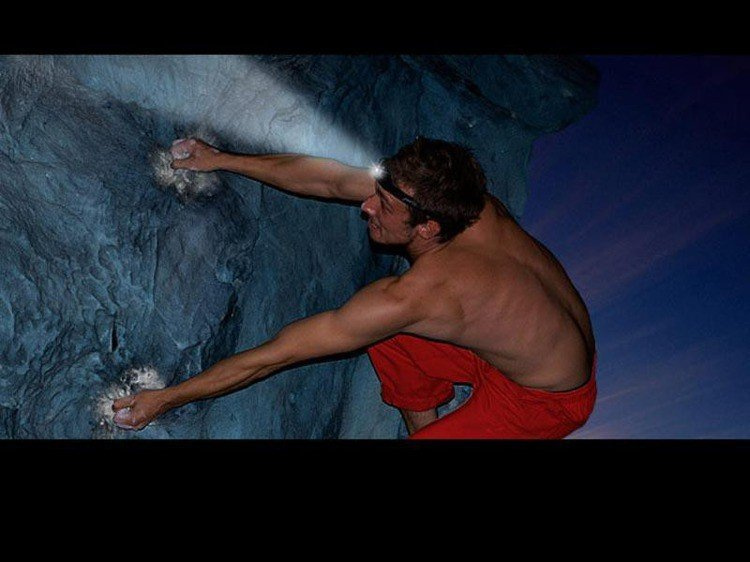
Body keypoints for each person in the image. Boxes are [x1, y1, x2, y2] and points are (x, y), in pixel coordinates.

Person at [112, 136, 597, 438]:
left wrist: (167, 398)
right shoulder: (462, 204)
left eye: (384, 207)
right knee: (392, 338)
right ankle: (427, 419)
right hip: (523, 346)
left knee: (387, 323)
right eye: (377, 194)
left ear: (428, 228)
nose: (367, 208)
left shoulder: (423, 294)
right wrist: (221, 159)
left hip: (543, 401)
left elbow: (279, 353)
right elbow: (328, 180)